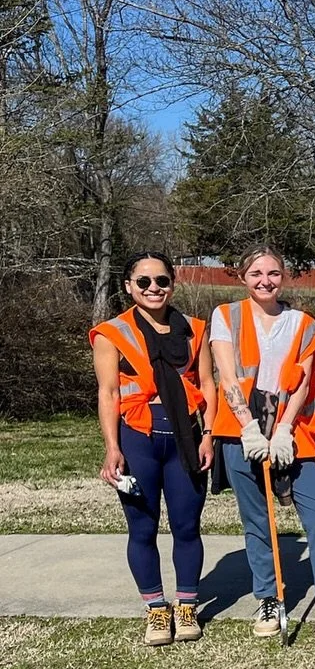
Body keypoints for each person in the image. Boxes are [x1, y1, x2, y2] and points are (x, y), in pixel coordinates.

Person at [210, 245, 315, 639]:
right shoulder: (226, 317)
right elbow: (227, 375)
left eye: (272, 273)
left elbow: (303, 381)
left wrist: (285, 427)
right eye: (256, 274)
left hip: (292, 431)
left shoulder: (302, 323)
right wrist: (249, 427)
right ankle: (268, 600)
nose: (265, 281)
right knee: (257, 519)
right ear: (242, 277)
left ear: (283, 276)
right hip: (242, 430)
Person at [91, 252, 217, 646]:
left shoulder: (196, 330)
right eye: (143, 282)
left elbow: (208, 384)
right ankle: (156, 610)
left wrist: (209, 434)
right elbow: (108, 392)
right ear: (128, 286)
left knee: (186, 525)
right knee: (142, 527)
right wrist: (112, 447)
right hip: (138, 439)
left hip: (186, 439)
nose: (153, 289)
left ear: (173, 284)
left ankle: (186, 604)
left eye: (161, 281)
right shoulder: (113, 333)